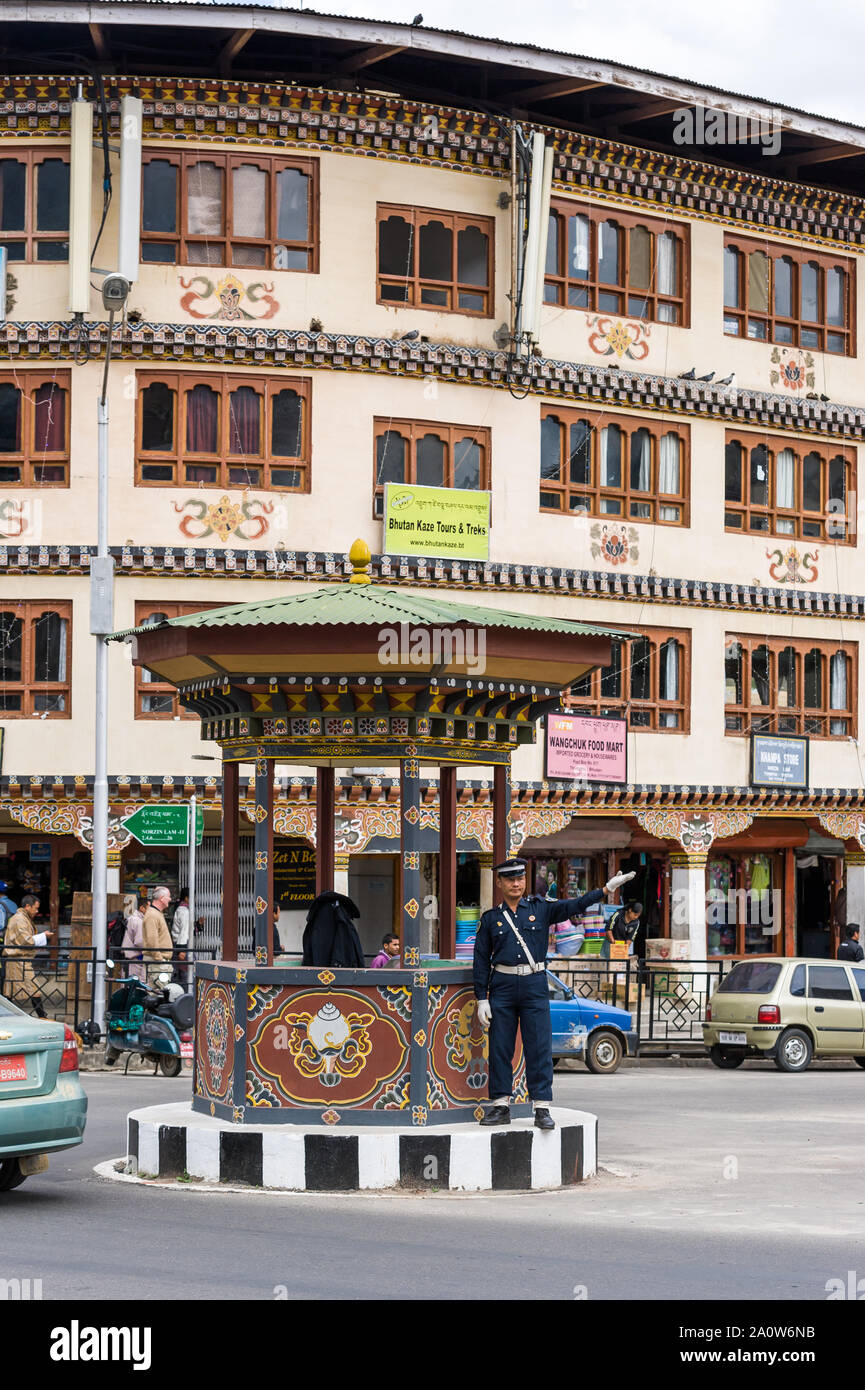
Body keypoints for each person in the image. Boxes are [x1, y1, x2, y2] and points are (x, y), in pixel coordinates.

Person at [473, 859, 636, 1130]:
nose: (516, 883)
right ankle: (500, 1105)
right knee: (500, 1047)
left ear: (525, 881)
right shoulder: (491, 919)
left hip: (534, 985)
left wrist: (605, 890)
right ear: (500, 883)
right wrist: (482, 997)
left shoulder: (540, 909)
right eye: (510, 879)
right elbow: (480, 959)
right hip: (501, 984)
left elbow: (574, 905)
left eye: (520, 879)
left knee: (538, 1047)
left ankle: (541, 1107)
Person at [3, 893, 54, 1016]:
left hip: (19, 960)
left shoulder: (22, 918)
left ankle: (8, 1016)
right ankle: (42, 1016)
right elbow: (25, 940)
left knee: (13, 991)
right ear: (27, 906)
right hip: (18, 960)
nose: (37, 911)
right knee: (32, 989)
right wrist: (44, 936)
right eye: (35, 908)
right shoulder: (20, 919)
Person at [142, 885, 173, 981]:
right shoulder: (152, 915)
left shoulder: (155, 913)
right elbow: (152, 940)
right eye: (169, 896)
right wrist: (160, 959)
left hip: (158, 963)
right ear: (162, 898)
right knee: (156, 992)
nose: (170, 899)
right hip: (157, 963)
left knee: (158, 992)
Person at [121, 894, 146, 982]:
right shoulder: (138, 921)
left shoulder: (133, 918)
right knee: (135, 986)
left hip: (132, 959)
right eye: (149, 908)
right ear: (142, 908)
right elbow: (139, 942)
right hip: (135, 959)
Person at [171, 886, 191, 987]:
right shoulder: (184, 911)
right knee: (185, 974)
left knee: (179, 971)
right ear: (187, 898)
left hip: (178, 944)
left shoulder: (180, 909)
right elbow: (184, 931)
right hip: (182, 945)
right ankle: (185, 997)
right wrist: (182, 950)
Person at [0, 880, 18, 944]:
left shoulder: (0, 905)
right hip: (11, 940)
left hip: (1, 940)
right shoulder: (14, 904)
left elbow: (1, 925)